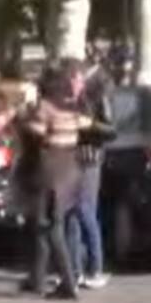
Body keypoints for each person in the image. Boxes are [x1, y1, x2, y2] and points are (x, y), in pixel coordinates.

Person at [22, 64, 94, 300]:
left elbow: (36, 132)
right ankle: (38, 278)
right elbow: (86, 125)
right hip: (69, 172)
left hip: (49, 172)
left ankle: (68, 283)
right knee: (47, 225)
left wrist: (23, 118)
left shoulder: (46, 108)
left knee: (51, 228)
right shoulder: (73, 108)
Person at [66, 58, 115, 289]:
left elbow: (111, 130)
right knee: (72, 216)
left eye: (76, 79)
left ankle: (96, 268)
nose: (73, 83)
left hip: (90, 161)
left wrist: (89, 125)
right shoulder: (70, 100)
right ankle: (74, 270)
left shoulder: (95, 98)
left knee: (85, 211)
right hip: (70, 161)